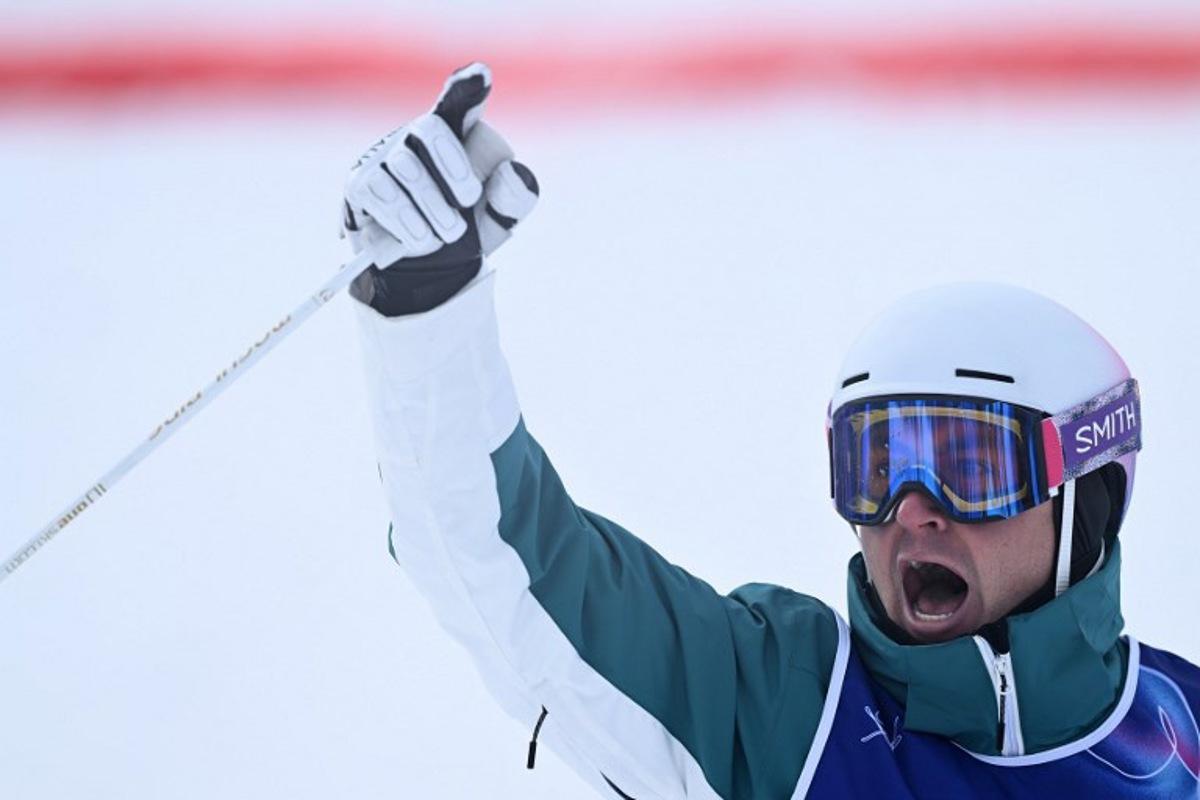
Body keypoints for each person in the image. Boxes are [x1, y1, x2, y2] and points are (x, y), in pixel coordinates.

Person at [342, 64, 1200, 799]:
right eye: (872, 466)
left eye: (966, 466)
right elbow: (506, 563)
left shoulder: (1186, 733)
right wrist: (427, 324)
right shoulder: (788, 716)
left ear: (1089, 493)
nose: (911, 511)